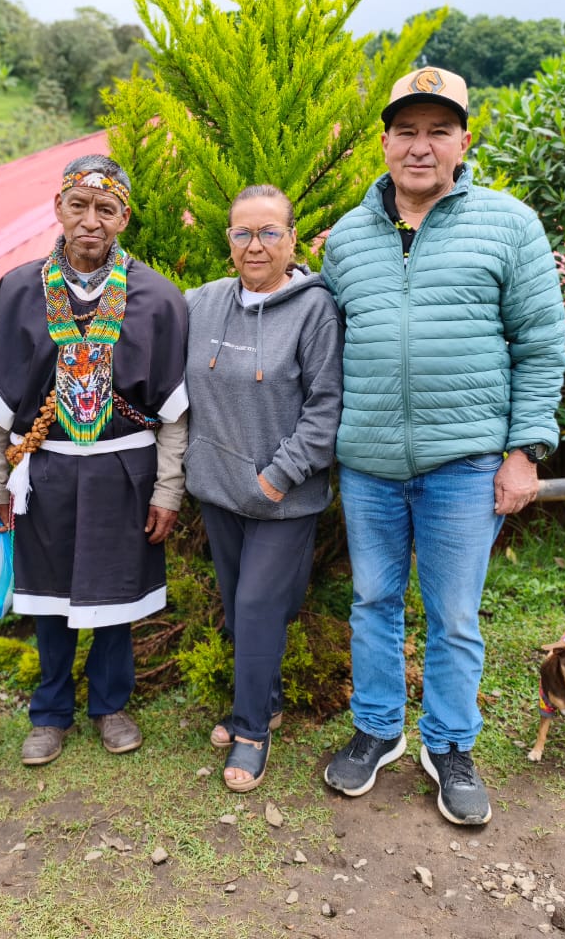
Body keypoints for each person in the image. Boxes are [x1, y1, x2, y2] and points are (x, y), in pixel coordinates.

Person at [320, 67, 565, 824]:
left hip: (465, 461)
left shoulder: (509, 224)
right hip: (366, 462)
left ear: (464, 140)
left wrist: (524, 450)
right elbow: (322, 342)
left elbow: (541, 341)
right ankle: (377, 732)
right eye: (405, 130)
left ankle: (450, 746)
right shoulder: (348, 239)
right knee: (372, 602)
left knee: (456, 614)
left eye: (437, 130)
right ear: (386, 141)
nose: (419, 146)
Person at [0, 154, 188, 766]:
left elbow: (175, 413)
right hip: (46, 473)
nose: (91, 220)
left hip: (125, 473)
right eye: (79, 206)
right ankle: (50, 712)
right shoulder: (16, 291)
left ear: (123, 217)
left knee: (117, 597)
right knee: (50, 598)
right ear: (59, 209)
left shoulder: (158, 299)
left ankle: (112, 706)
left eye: (106, 208)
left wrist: (167, 491)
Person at [183, 185, 341, 792]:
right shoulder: (202, 304)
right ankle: (267, 699)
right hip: (217, 492)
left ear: (292, 239)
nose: (255, 245)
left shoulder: (314, 309)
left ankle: (251, 731)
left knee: (255, 611)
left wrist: (276, 480)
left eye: (269, 232)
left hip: (283, 499)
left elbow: (325, 409)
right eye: (242, 233)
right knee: (239, 609)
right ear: (228, 239)